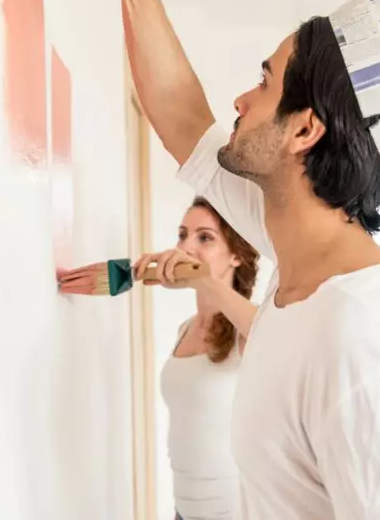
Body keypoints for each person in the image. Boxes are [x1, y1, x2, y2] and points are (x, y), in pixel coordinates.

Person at [53, 0, 380, 519]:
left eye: (265, 81)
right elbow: (183, 117)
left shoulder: (364, 345)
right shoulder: (295, 251)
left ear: (304, 132)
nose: (241, 100)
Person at [152, 197, 260, 520]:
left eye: (205, 237)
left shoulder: (246, 332)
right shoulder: (185, 329)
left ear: (236, 255)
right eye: (183, 234)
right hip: (183, 509)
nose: (187, 246)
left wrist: (203, 280)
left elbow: (269, 332)